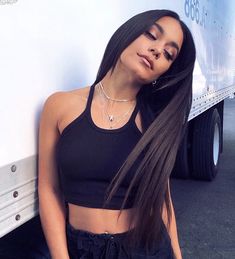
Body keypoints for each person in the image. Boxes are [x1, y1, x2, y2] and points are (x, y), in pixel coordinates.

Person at [38, 9, 196, 259]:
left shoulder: (155, 122)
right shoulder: (59, 106)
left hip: (145, 248)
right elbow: (49, 190)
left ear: (165, 71)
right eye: (151, 35)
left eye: (168, 54)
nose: (157, 50)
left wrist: (177, 254)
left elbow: (162, 200)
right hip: (82, 250)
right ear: (129, 33)